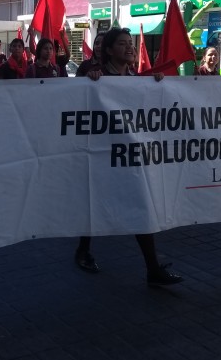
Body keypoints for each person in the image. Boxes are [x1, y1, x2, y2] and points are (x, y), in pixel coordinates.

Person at [74, 27, 183, 285]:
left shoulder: (137, 78)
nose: (129, 48)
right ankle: (83, 249)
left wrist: (155, 85)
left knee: (141, 203)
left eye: (130, 44)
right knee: (94, 202)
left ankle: (152, 268)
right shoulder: (95, 77)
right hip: (102, 155)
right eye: (122, 44)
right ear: (109, 50)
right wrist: (89, 81)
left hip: (130, 155)